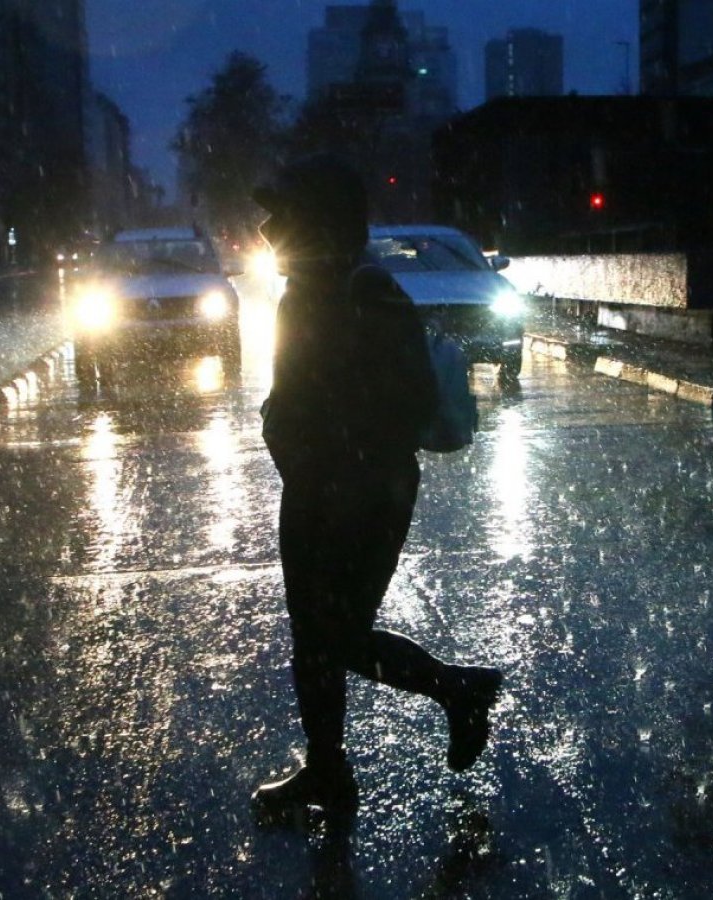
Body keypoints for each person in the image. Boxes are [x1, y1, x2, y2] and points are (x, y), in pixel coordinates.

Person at [250, 153, 504, 826]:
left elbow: (409, 398)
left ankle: (457, 691)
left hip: (360, 491)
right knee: (315, 636)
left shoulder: (367, 290)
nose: (267, 229)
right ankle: (328, 769)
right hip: (316, 486)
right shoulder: (304, 291)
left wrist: (338, 446)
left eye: (282, 215)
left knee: (334, 633)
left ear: (318, 222)